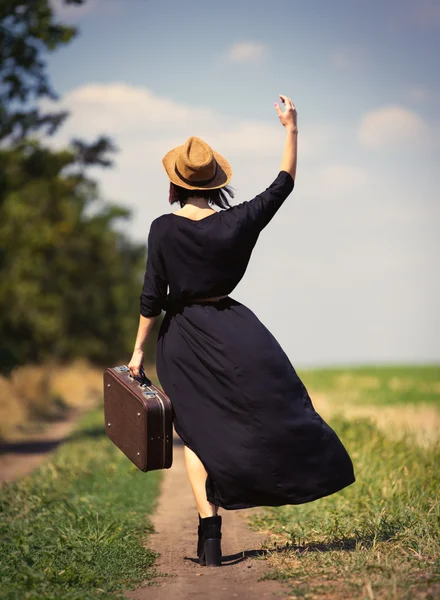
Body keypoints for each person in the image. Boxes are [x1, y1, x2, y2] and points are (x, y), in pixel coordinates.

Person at [128, 95, 356, 567]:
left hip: (182, 338)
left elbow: (152, 298)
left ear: (174, 183)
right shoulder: (239, 220)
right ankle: (298, 473)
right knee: (275, 407)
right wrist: (291, 128)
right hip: (234, 328)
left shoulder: (162, 228)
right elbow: (284, 183)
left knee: (193, 433)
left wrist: (136, 356)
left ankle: (209, 536)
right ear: (215, 182)